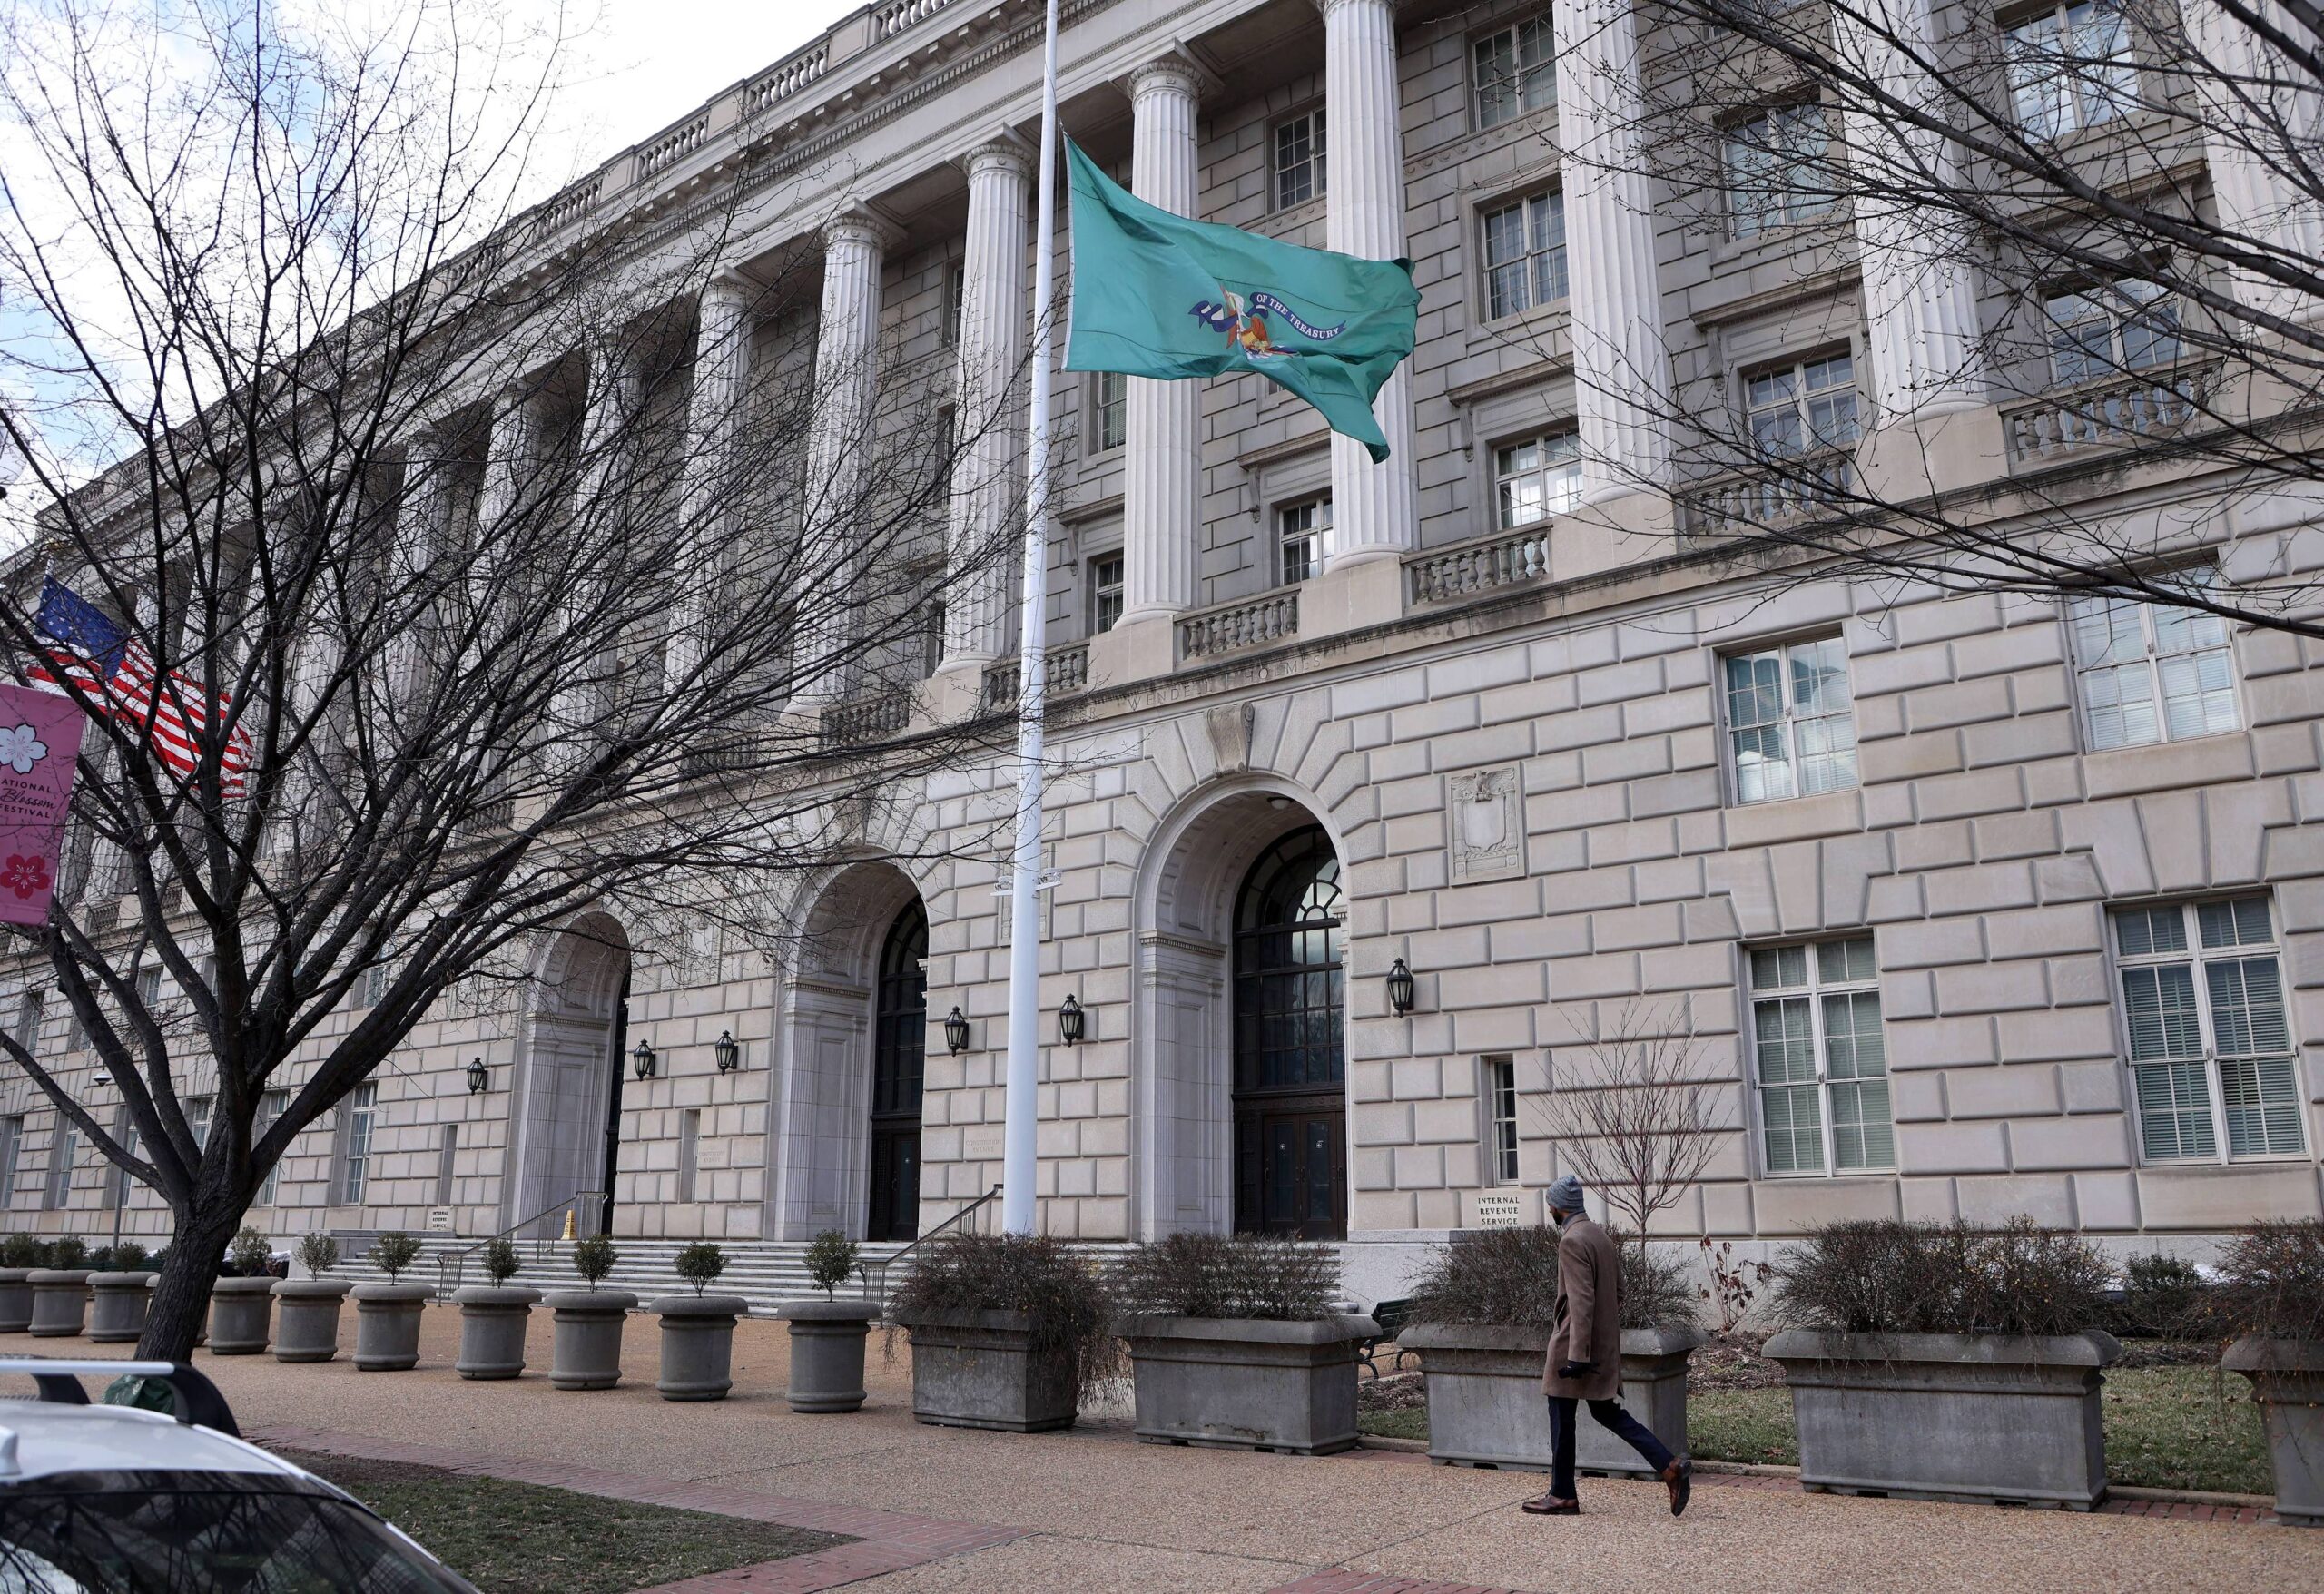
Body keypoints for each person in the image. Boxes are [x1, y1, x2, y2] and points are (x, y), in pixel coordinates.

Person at [1522, 1173, 1691, 1518]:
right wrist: (1599, 1340)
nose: (1550, 1210)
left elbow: (1581, 1301)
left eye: (1551, 1205)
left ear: (1558, 1207)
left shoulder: (1571, 1240)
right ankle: (1668, 1464)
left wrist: (1577, 1356)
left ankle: (1562, 1495)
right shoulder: (1599, 1235)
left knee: (1561, 1418)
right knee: (1606, 1412)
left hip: (1574, 1348)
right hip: (1599, 1346)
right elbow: (1618, 1294)